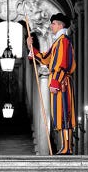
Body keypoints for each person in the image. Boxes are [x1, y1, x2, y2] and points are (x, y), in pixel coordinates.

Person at [27, 12, 76, 155]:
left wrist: (55, 82)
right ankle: (65, 146)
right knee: (59, 115)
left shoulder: (64, 41)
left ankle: (68, 147)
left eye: (53, 23)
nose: (51, 26)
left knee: (65, 113)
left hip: (62, 82)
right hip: (58, 82)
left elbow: (63, 64)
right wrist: (31, 47)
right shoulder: (57, 42)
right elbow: (45, 59)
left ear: (60, 25)